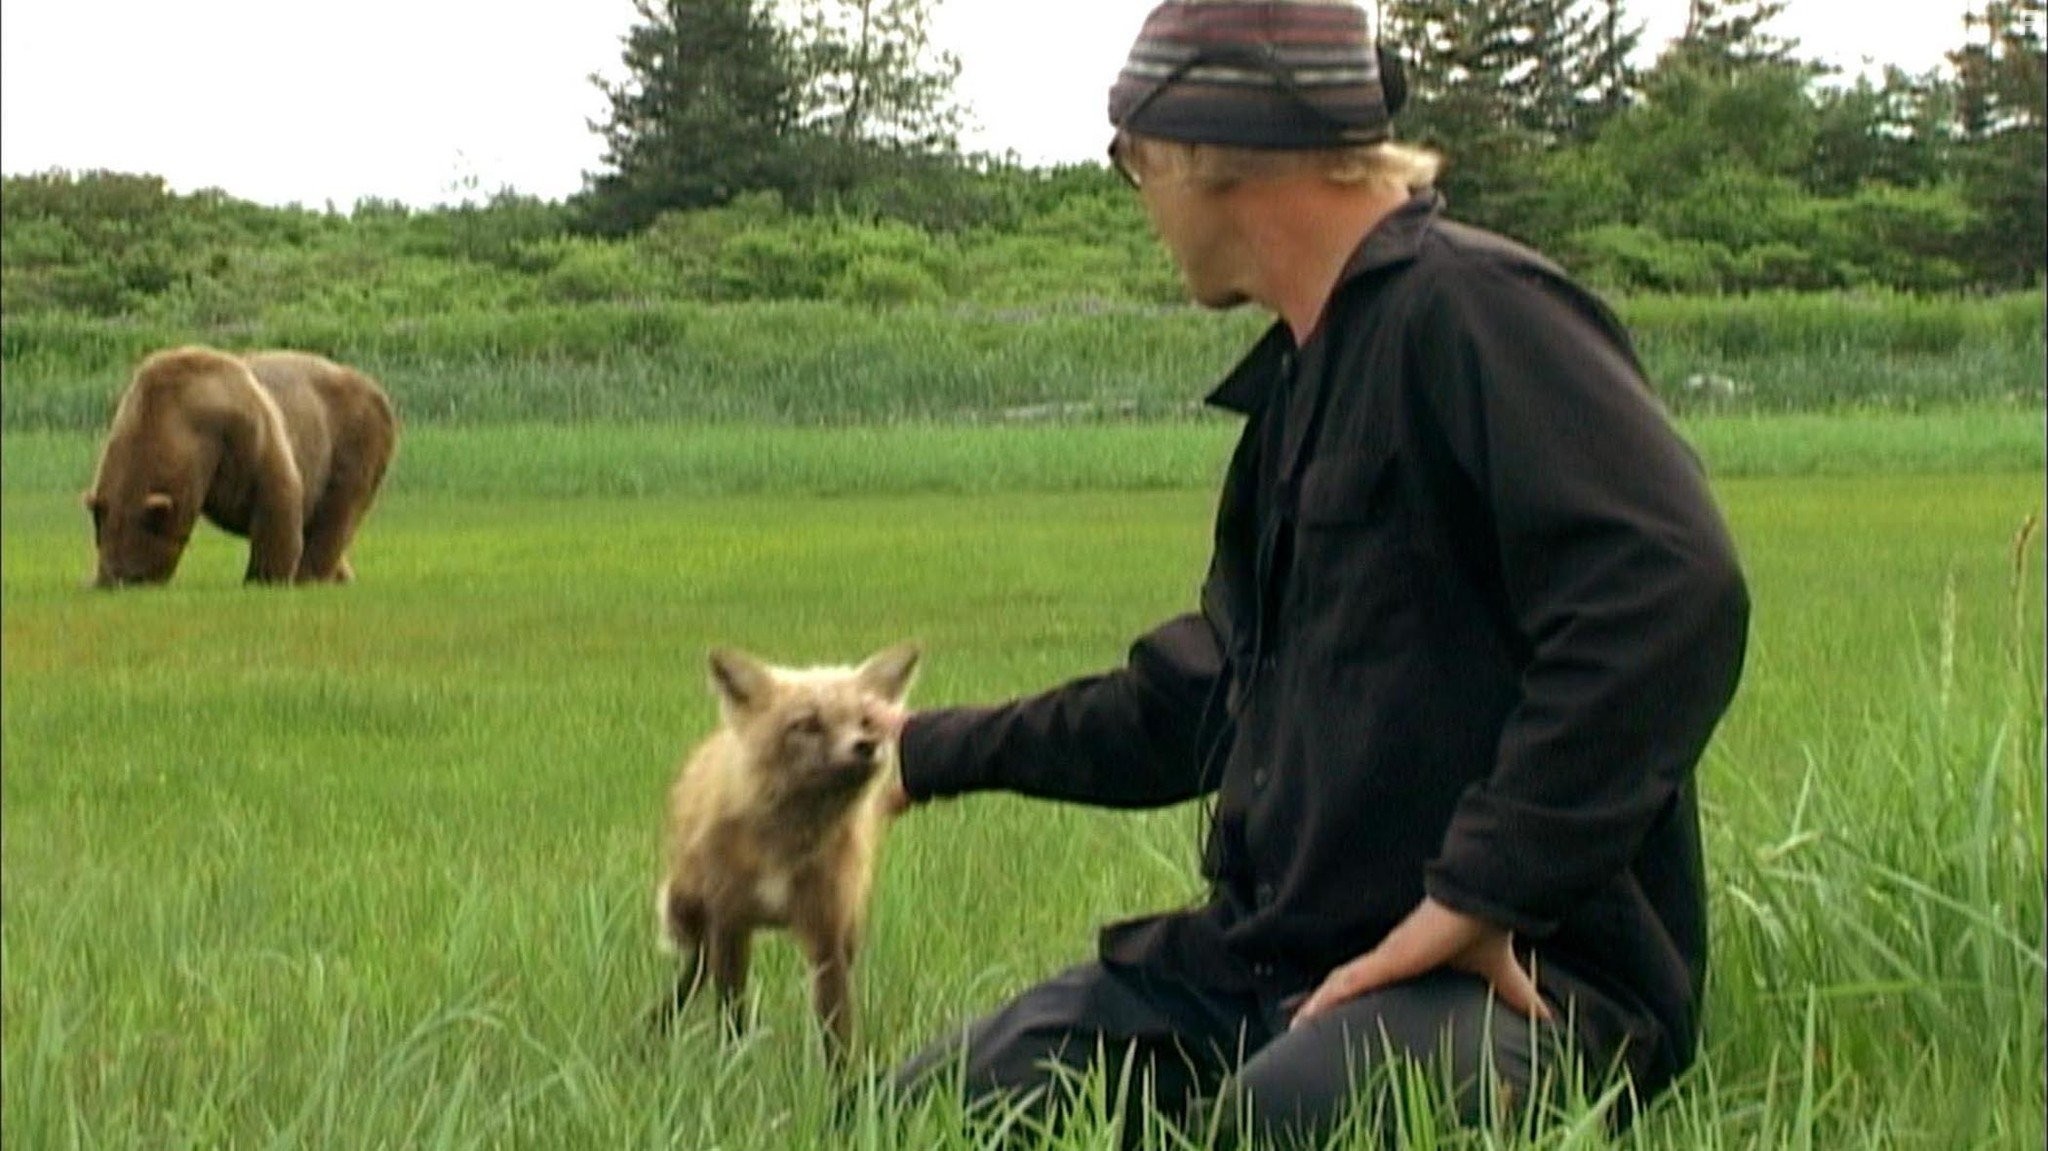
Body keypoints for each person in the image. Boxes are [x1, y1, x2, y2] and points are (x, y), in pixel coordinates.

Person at [884, 1, 1751, 1144]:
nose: (1137, 195)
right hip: (1276, 965)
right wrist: (905, 751)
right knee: (932, 1108)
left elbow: (1669, 588)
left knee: (1295, 1113)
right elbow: (1203, 693)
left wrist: (1482, 890)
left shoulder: (1472, 312)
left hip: (1522, 982)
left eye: (1129, 159)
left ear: (1200, 151)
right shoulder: (1299, 388)